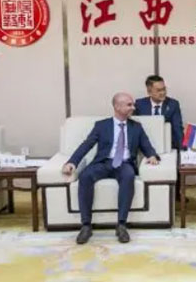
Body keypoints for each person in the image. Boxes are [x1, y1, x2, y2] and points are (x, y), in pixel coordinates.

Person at [62, 92, 160, 244]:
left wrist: (152, 156)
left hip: (125, 163)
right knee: (85, 176)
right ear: (117, 107)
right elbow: (87, 145)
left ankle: (121, 225)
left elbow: (146, 145)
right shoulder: (101, 126)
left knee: (128, 176)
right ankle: (86, 225)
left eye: (133, 104)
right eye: (129, 105)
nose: (133, 108)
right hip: (103, 162)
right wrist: (72, 162)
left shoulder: (136, 127)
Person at [135, 75, 183, 150]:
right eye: (159, 90)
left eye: (164, 89)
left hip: (167, 146)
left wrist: (182, 150)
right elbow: (134, 129)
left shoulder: (173, 104)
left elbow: (177, 129)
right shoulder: (139, 104)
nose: (163, 93)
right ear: (149, 92)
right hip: (145, 147)